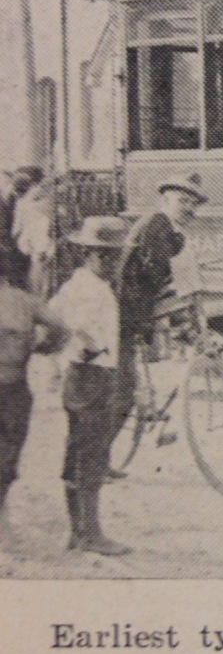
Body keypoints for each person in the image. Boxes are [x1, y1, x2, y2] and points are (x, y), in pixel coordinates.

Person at [51, 216, 132, 555]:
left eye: (117, 256)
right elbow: (77, 326)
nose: (114, 263)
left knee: (77, 453)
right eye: (108, 256)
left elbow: (54, 316)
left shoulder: (75, 285)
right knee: (92, 455)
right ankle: (91, 535)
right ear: (90, 253)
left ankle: (78, 531)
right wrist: (89, 348)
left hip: (77, 376)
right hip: (92, 376)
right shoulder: (90, 288)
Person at [114, 173, 207, 452]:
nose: (189, 208)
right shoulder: (156, 226)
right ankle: (96, 460)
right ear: (165, 199)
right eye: (182, 201)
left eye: (193, 203)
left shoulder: (169, 229)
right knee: (123, 392)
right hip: (122, 316)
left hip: (136, 313)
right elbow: (158, 275)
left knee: (129, 387)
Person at [0, 257, 72, 534]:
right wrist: (41, 348)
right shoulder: (24, 301)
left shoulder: (23, 301)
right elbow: (61, 329)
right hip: (13, 385)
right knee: (8, 453)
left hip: (13, 387)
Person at [12, 168, 54, 299]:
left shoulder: (23, 203)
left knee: (37, 276)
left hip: (37, 244)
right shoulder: (49, 200)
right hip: (45, 243)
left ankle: (37, 300)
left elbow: (17, 230)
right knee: (44, 277)